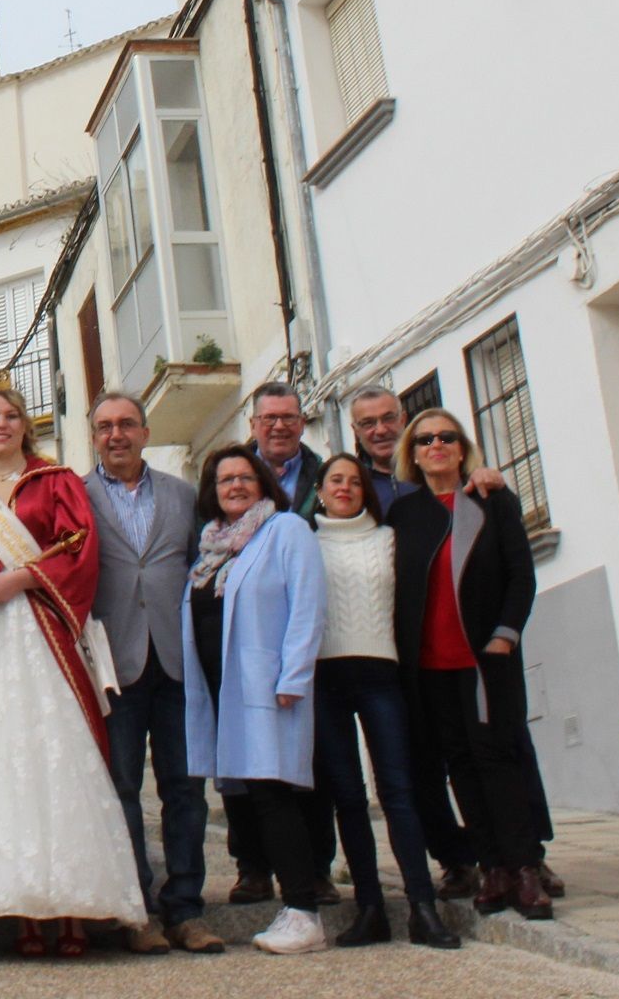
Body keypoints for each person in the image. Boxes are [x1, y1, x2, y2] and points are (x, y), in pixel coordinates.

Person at [0, 386, 146, 956]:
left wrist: (23, 578)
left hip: (45, 631)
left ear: (27, 424)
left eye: (11, 416)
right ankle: (24, 909)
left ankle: (73, 909)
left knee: (60, 758)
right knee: (6, 763)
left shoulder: (56, 481)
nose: (1, 424)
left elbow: (81, 550)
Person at [348, 385, 560, 901]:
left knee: (501, 759)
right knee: (461, 766)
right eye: (425, 441)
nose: (434, 446)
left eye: (445, 437)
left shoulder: (491, 499)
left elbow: (520, 575)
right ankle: (490, 868)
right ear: (411, 454)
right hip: (430, 668)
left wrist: (505, 637)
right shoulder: (403, 514)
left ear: (462, 447)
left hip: (486, 660)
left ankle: (526, 866)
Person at [83, 389, 222, 955]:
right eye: (105, 427)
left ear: (144, 431)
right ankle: (136, 909)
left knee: (186, 790)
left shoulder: (184, 495)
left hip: (176, 661)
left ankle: (186, 909)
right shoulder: (77, 495)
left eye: (126, 425)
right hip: (113, 663)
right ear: (94, 436)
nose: (116, 435)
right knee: (120, 789)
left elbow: (202, 567)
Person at [308, 454, 458, 950]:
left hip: (382, 676)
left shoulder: (389, 539)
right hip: (325, 680)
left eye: (354, 481)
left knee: (398, 791)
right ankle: (370, 907)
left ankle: (422, 906)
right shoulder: (304, 543)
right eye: (336, 480)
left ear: (365, 491)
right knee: (347, 797)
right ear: (321, 489)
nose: (346, 488)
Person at [182, 445, 327, 955]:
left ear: (264, 483)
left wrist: (294, 676)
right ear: (213, 493)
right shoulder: (210, 548)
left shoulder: (285, 531)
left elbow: (308, 606)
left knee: (274, 793)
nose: (236, 486)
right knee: (245, 795)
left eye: (245, 477)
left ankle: (304, 910)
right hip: (224, 693)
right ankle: (287, 901)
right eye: (225, 481)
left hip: (269, 689)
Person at [229, 382, 335, 907]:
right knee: (244, 765)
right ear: (252, 424)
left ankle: (317, 869)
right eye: (268, 417)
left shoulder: (324, 475)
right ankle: (252, 868)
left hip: (310, 640)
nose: (278, 426)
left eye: (288, 417)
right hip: (245, 644)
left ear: (302, 423)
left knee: (310, 764)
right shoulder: (231, 476)